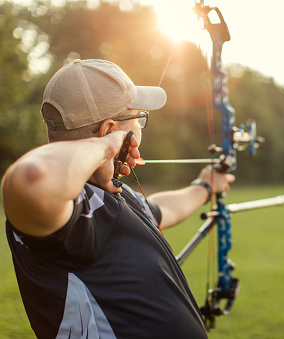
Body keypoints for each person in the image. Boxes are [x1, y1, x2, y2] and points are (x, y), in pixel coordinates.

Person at [2, 59, 234, 338]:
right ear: (110, 129)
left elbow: (161, 210)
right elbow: (32, 180)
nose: (140, 126)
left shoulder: (108, 194)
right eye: (138, 117)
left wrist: (205, 185)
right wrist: (108, 146)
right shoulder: (74, 216)